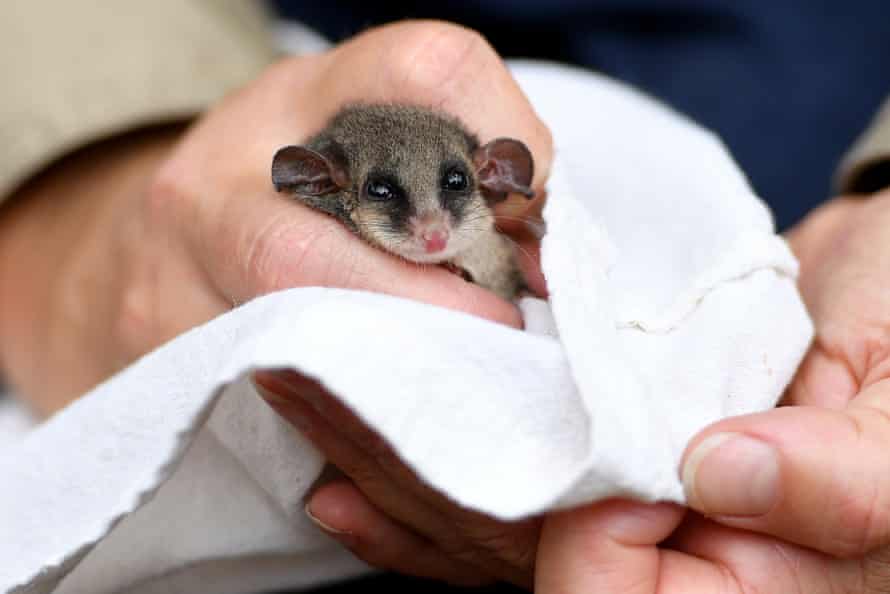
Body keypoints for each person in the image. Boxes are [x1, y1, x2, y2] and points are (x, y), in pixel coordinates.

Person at [2, 2, 890, 593]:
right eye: (390, 199)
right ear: (329, 190)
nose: (432, 229)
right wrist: (78, 169)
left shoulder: (498, 218)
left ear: (494, 176)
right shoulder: (320, 203)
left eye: (455, 193)